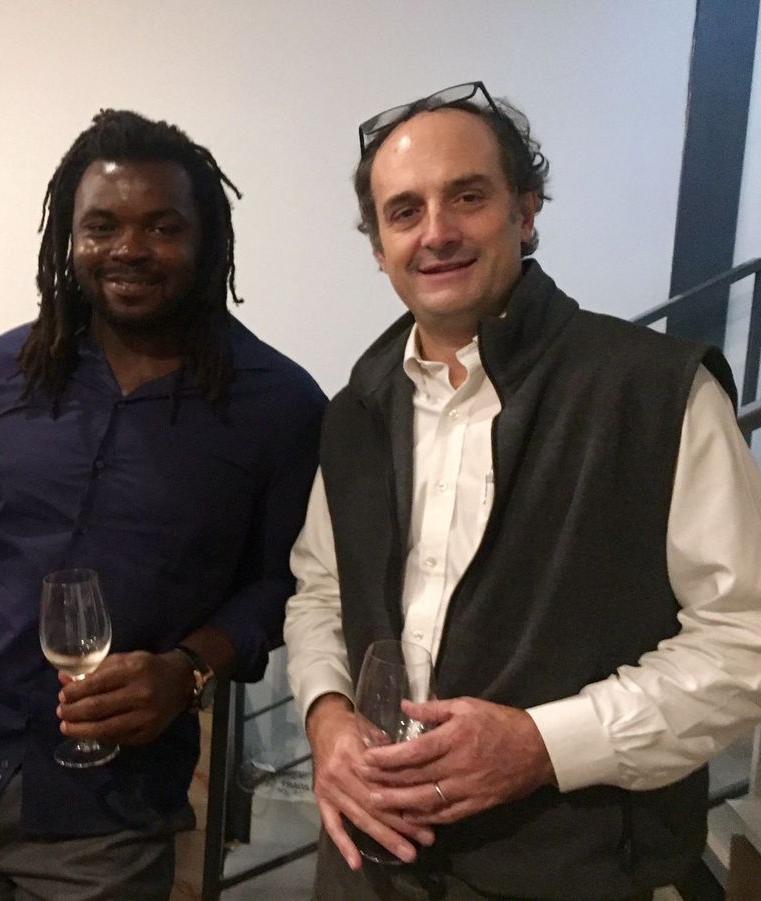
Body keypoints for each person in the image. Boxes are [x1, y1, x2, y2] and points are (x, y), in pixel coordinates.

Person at [284, 81, 761, 900]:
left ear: (526, 211)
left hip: (572, 868)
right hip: (368, 865)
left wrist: (543, 744)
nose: (436, 232)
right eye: (404, 212)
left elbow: (743, 639)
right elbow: (321, 592)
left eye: (467, 196)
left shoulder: (656, 393)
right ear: (379, 246)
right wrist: (326, 715)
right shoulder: (355, 411)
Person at [0, 108, 325, 900]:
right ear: (69, 237)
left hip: (109, 810)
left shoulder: (278, 403)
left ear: (207, 240)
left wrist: (188, 670)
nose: (128, 248)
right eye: (102, 226)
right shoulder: (10, 368)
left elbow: (282, 583)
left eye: (162, 227)